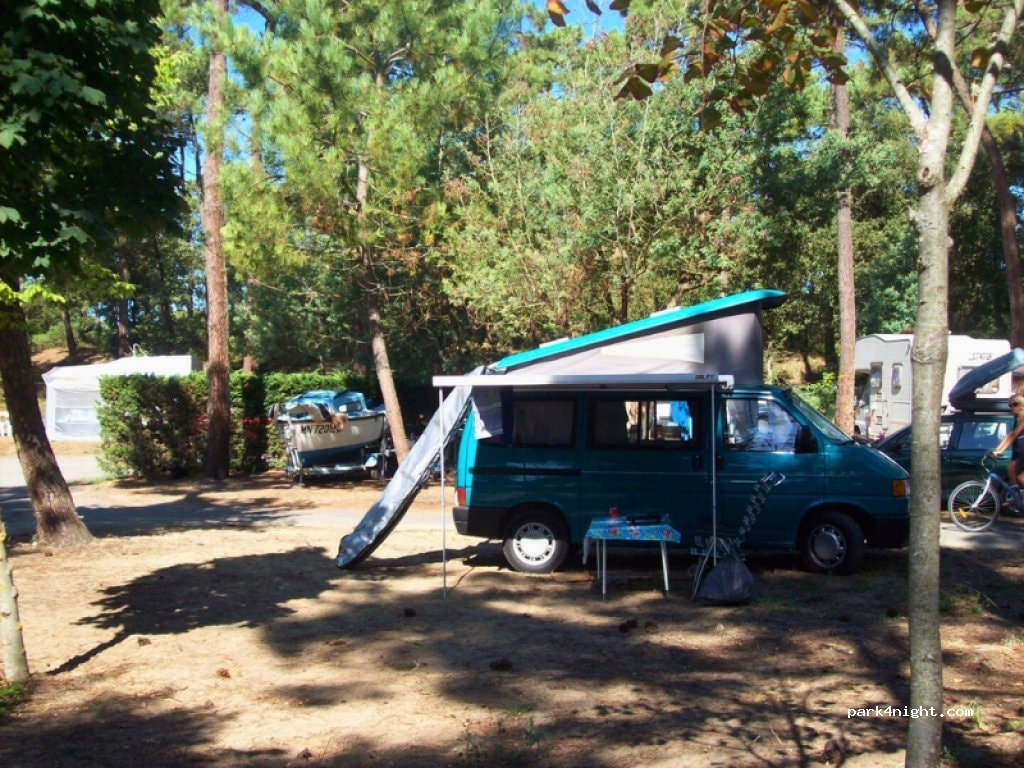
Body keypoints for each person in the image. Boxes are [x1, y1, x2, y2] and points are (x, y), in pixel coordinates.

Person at [987, 393, 1024, 486]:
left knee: (1021, 478)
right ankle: (1016, 493)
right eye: (1010, 405)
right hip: (1021, 455)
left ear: (1022, 404)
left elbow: (1013, 435)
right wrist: (996, 450)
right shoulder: (1017, 421)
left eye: (1015, 404)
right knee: (1010, 468)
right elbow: (1009, 436)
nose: (1012, 408)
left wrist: (999, 451)